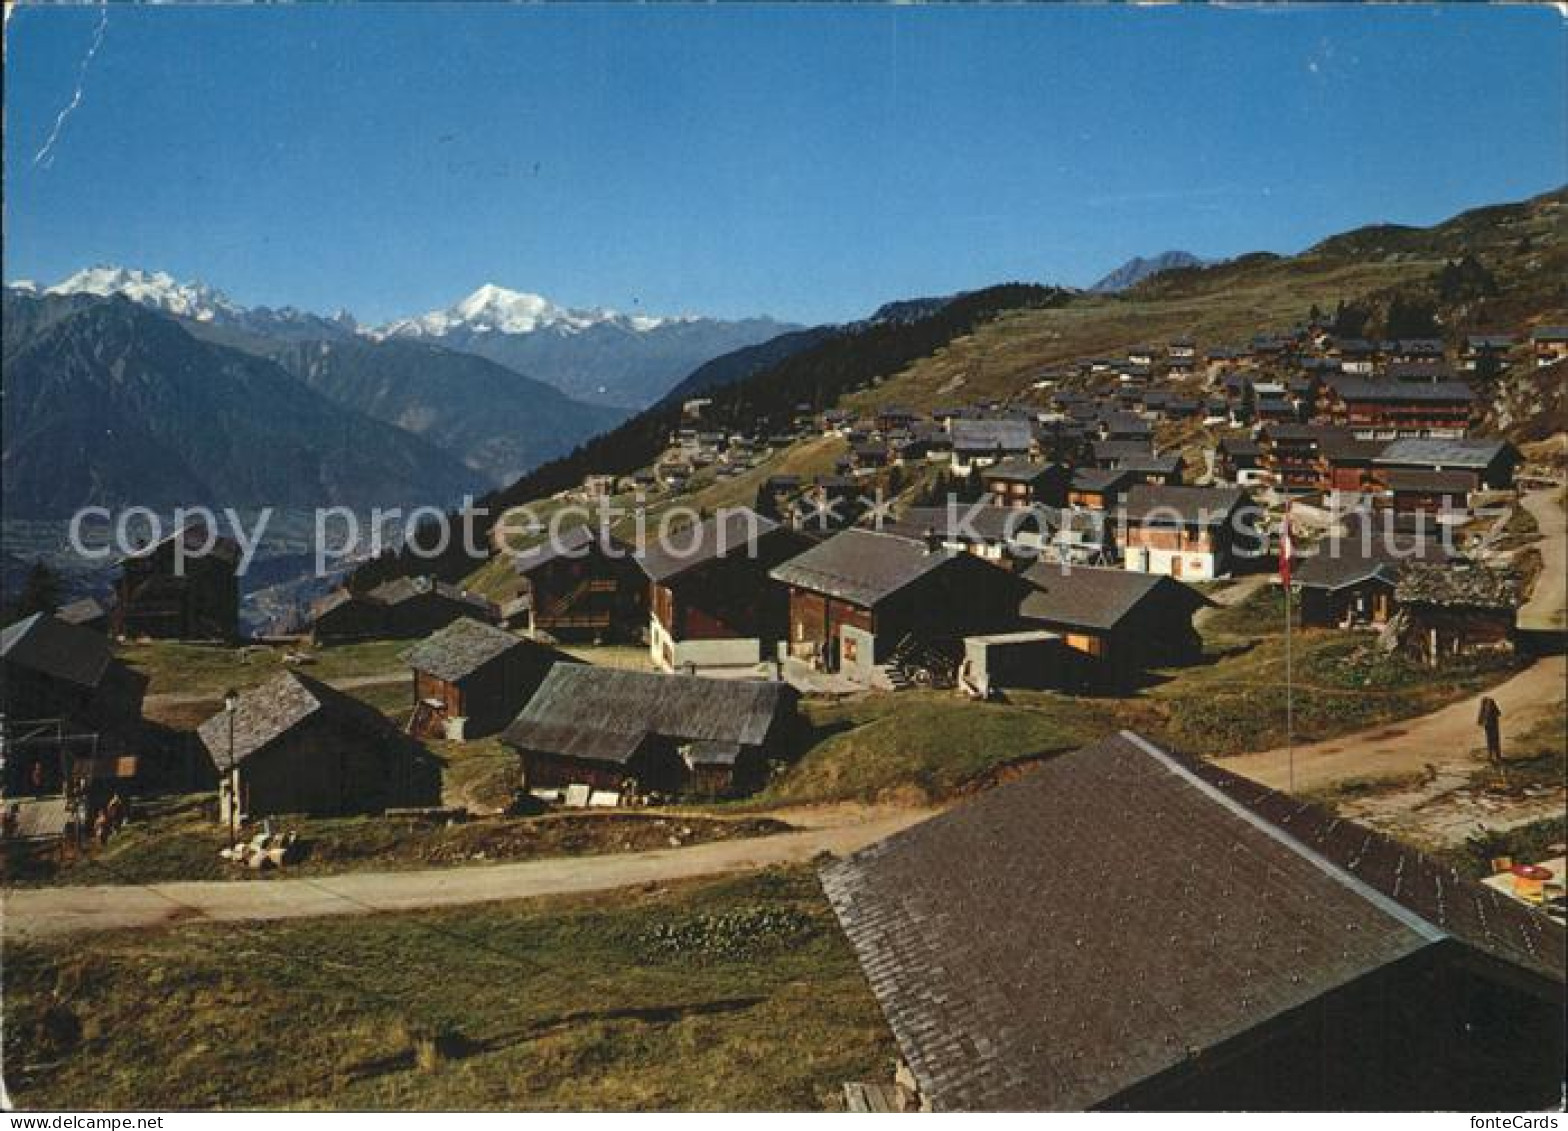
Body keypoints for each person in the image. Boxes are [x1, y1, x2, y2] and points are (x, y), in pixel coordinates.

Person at [1477, 695, 1503, 767]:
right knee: (1494, 741)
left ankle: (1494, 757)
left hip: (1490, 726)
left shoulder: (1485, 704)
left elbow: (1481, 716)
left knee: (1491, 741)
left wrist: (1481, 721)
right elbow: (1498, 713)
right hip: (1491, 726)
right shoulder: (1487, 704)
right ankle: (1495, 757)